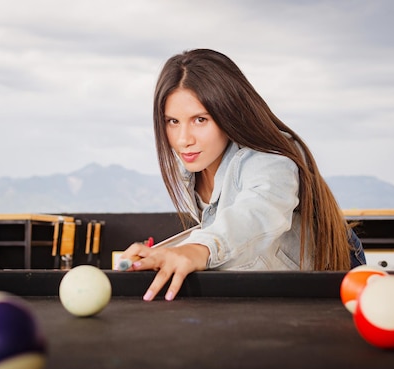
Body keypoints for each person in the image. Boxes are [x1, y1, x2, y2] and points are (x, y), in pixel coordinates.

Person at [120, 49, 365, 302]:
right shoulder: (195, 164)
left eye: (200, 120)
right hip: (270, 283)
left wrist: (199, 249)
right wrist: (162, 255)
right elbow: (222, 231)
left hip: (332, 274)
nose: (183, 140)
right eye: (172, 121)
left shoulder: (270, 157)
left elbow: (257, 213)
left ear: (228, 113)